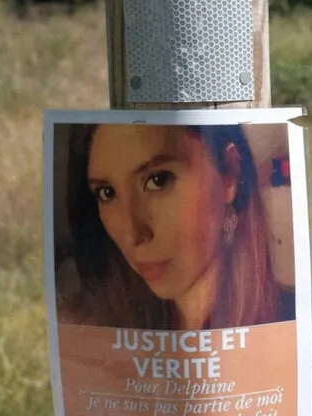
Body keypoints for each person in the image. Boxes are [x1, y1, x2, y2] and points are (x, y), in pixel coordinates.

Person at [58, 122, 282, 331]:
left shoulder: (291, 324)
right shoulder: (82, 330)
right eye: (107, 193)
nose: (133, 233)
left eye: (158, 180)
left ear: (230, 173)